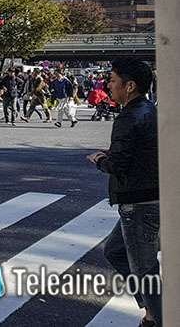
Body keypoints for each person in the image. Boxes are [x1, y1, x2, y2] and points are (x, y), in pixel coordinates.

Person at [88, 58, 160, 327]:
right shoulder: (148, 110)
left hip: (138, 202)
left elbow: (118, 165)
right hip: (146, 196)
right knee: (116, 251)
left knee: (144, 268)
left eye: (113, 81)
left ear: (129, 86)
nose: (109, 85)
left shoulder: (129, 117)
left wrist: (99, 160)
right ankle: (152, 308)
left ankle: (156, 317)